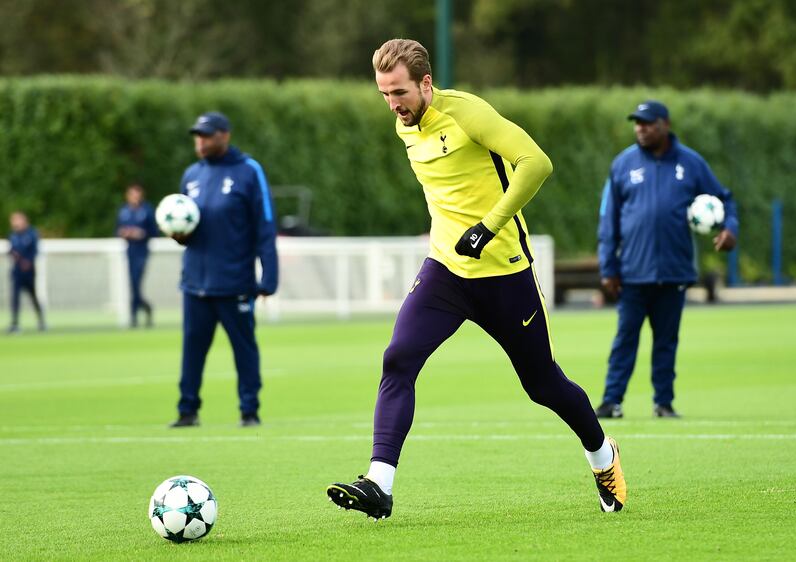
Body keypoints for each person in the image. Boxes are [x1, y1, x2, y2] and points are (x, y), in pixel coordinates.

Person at [327, 39, 627, 519]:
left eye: (399, 91)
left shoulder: (467, 113)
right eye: (384, 94)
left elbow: (538, 164)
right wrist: (451, 237)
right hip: (445, 270)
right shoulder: (404, 124)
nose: (392, 104)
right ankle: (379, 485)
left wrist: (488, 227)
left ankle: (602, 455)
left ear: (426, 83)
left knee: (543, 384)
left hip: (504, 273)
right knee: (398, 359)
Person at [595, 100, 738, 419]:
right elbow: (608, 219)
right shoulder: (622, 164)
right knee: (624, 340)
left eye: (647, 123)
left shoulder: (691, 163)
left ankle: (664, 403)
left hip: (674, 272)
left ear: (665, 124)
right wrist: (608, 267)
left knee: (666, 342)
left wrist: (729, 229)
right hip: (632, 272)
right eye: (637, 123)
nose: (640, 129)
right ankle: (611, 401)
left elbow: (725, 199)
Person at [169, 111, 278, 428]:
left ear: (224, 135)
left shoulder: (248, 171)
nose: (200, 142)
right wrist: (179, 235)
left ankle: (249, 410)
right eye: (197, 136)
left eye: (206, 135)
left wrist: (268, 277)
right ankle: (187, 411)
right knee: (192, 351)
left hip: (235, 283)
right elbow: (188, 227)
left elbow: (265, 225)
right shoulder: (191, 175)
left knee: (244, 349)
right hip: (195, 283)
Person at [116, 183, 159, 328]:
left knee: (136, 283)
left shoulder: (147, 210)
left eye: (137, 194)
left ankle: (134, 316)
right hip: (129, 252)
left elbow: (154, 231)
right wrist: (124, 233)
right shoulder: (124, 211)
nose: (134, 197)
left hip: (142, 252)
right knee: (133, 285)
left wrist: (141, 234)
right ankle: (145, 309)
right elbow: (117, 229)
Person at [7, 212, 46, 333]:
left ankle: (41, 321)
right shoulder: (13, 235)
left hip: (29, 271)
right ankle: (15, 323)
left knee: (33, 296)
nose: (15, 223)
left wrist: (27, 262)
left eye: (17, 220)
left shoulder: (32, 234)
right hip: (17, 271)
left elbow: (35, 251)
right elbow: (11, 250)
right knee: (15, 298)